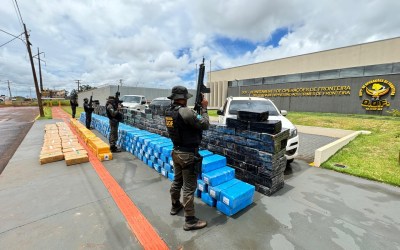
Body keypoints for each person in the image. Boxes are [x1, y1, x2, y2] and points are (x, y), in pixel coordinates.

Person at [165, 85, 209, 231]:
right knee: (189, 188)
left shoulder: (169, 112)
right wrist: (204, 108)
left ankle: (175, 205)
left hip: (176, 152)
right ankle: (190, 220)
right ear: (183, 99)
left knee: (177, 182)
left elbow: (183, 126)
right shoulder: (186, 112)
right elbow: (205, 124)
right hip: (188, 154)